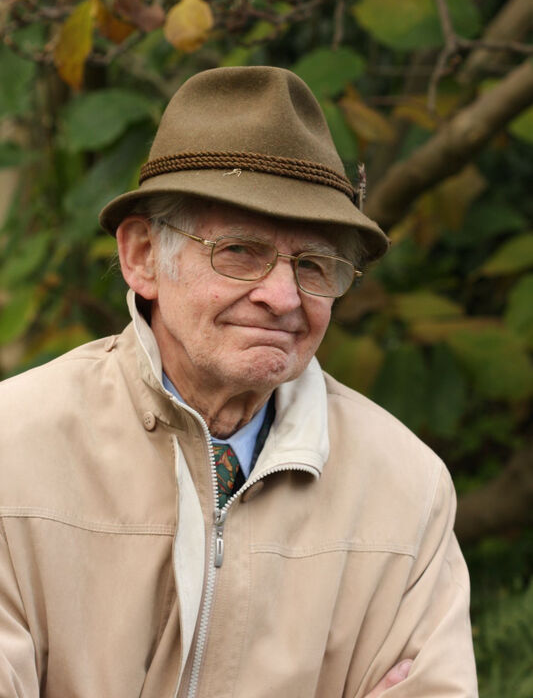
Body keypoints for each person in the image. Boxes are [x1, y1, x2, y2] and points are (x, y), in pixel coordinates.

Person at [0, 67, 478, 697]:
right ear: (143, 255)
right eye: (239, 251)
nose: (283, 297)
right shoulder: (14, 450)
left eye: (314, 264)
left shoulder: (406, 487)